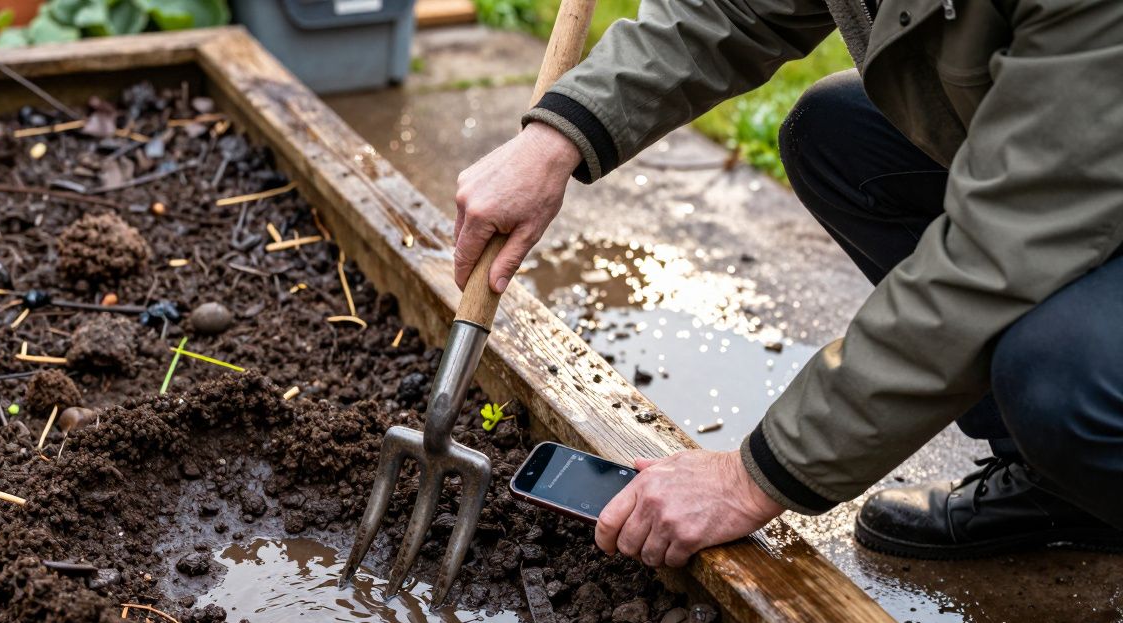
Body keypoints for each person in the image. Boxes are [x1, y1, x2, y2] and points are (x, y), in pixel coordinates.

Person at [452, 0, 1123, 567]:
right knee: (838, 135)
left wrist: (752, 479)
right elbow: (734, 9)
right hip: (1077, 171)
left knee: (1064, 377)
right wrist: (556, 137)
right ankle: (1057, 486)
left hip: (1077, 172)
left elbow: (1001, 244)